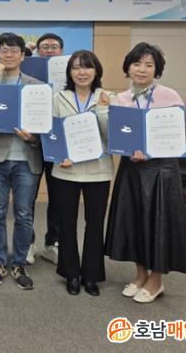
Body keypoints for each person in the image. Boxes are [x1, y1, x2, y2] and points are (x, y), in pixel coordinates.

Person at [105, 42, 186, 303]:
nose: (142, 69)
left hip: (161, 170)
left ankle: (156, 280)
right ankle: (140, 275)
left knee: (159, 224)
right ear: (128, 68)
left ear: (157, 70)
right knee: (133, 221)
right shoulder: (121, 99)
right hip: (132, 169)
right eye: (137, 64)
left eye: (148, 65)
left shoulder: (169, 95)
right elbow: (117, 136)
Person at [0, 32, 43, 290]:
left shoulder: (36, 85)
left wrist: (33, 137)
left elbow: (43, 124)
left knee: (24, 214)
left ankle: (18, 263)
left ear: (23, 55)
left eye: (14, 50)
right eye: (4, 50)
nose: (9, 55)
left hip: (26, 158)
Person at [51, 51, 113, 297]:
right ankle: (71, 274)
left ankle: (91, 275)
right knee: (66, 224)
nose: (82, 72)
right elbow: (52, 133)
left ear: (96, 71)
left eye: (87, 67)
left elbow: (112, 136)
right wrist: (59, 155)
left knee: (95, 224)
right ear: (69, 72)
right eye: (76, 67)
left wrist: (104, 110)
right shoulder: (58, 98)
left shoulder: (108, 97)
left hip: (98, 171)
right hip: (66, 170)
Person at [29, 32, 66, 265]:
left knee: (58, 196)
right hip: (32, 141)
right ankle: (28, 243)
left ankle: (52, 243)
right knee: (27, 196)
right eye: (44, 46)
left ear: (62, 51)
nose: (49, 50)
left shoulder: (70, 72)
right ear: (38, 50)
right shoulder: (28, 70)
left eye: (54, 46)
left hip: (57, 140)